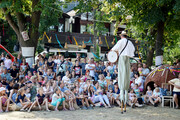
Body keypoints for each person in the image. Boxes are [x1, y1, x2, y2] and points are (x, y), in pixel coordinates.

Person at [111, 31, 135, 112]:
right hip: (127, 59)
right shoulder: (130, 42)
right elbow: (133, 50)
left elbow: (113, 49)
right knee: (126, 74)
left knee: (121, 75)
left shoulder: (120, 41)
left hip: (121, 58)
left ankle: (122, 106)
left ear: (121, 36)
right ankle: (124, 104)